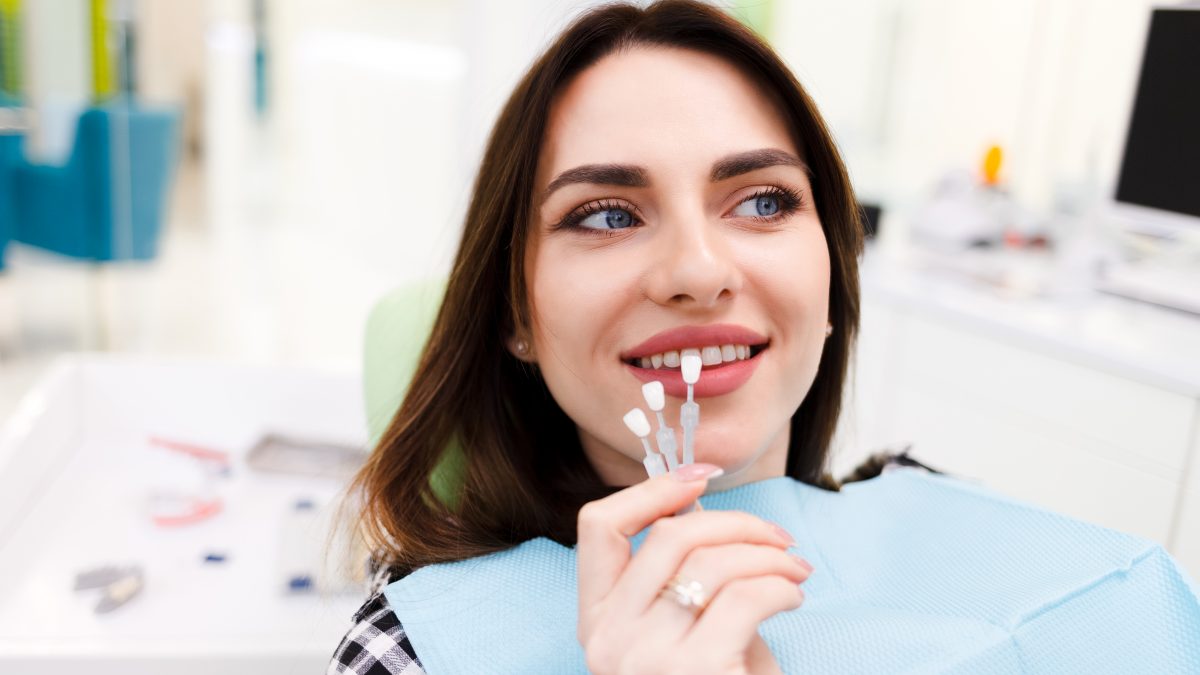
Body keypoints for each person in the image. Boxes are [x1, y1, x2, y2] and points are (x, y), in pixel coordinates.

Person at [328, 2, 1200, 674]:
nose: (698, 271)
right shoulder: (412, 646)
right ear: (515, 313)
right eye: (605, 214)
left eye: (764, 200)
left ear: (829, 277)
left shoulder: (969, 527)